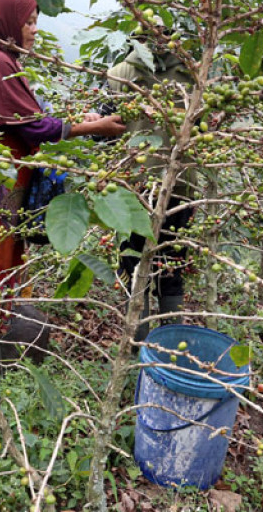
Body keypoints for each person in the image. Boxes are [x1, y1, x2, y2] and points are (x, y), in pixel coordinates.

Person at [0, 0, 124, 327]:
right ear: (6, 23)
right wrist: (89, 129)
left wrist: (79, 121)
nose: (34, 30)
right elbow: (33, 128)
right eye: (29, 22)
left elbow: (26, 118)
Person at [106, 36, 196, 344]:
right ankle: (174, 349)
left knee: (134, 269)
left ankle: (136, 348)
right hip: (180, 186)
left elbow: (111, 128)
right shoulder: (194, 74)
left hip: (134, 186)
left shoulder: (119, 73)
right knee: (171, 269)